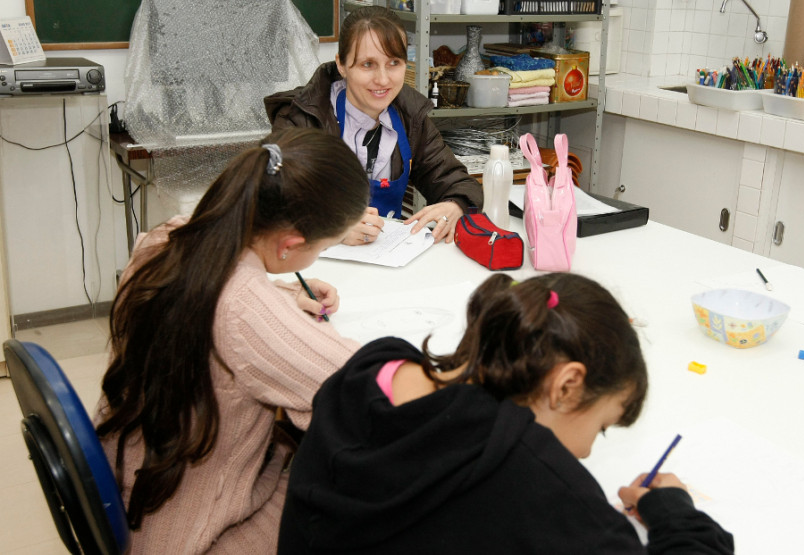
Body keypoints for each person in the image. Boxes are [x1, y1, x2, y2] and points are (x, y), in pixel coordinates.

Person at [277, 273, 735, 554]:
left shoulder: (373, 369)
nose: (588, 451)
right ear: (566, 384)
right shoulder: (529, 476)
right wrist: (676, 514)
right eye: (600, 427)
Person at [94, 128, 369, 553]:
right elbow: (362, 388)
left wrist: (282, 294)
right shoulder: (246, 313)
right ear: (290, 245)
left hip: (135, 489)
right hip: (191, 535)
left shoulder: (166, 237)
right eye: (324, 247)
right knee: (371, 502)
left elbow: (214, 298)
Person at [264, 6, 483, 247]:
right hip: (317, 264)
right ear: (342, 65)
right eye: (368, 64)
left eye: (394, 62)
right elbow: (267, 197)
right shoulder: (303, 119)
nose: (382, 79)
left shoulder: (411, 118)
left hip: (387, 261)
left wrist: (456, 205)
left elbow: (458, 182)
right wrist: (329, 226)